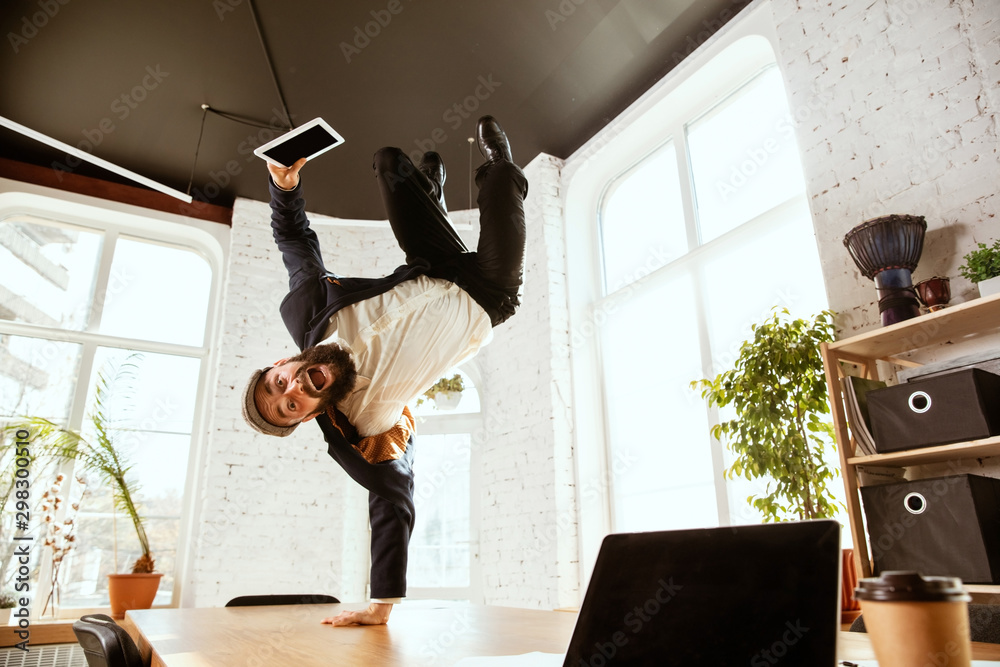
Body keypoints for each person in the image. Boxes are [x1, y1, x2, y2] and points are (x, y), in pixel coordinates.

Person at [240, 115, 528, 626]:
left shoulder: (311, 312)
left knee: (390, 162)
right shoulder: (362, 421)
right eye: (289, 406)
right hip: (487, 294)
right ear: (306, 417)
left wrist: (283, 184)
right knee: (503, 183)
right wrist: (382, 605)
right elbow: (391, 499)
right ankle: (497, 165)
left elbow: (294, 240)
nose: (292, 390)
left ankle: (429, 193)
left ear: (282, 362)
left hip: (434, 264)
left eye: (278, 382)